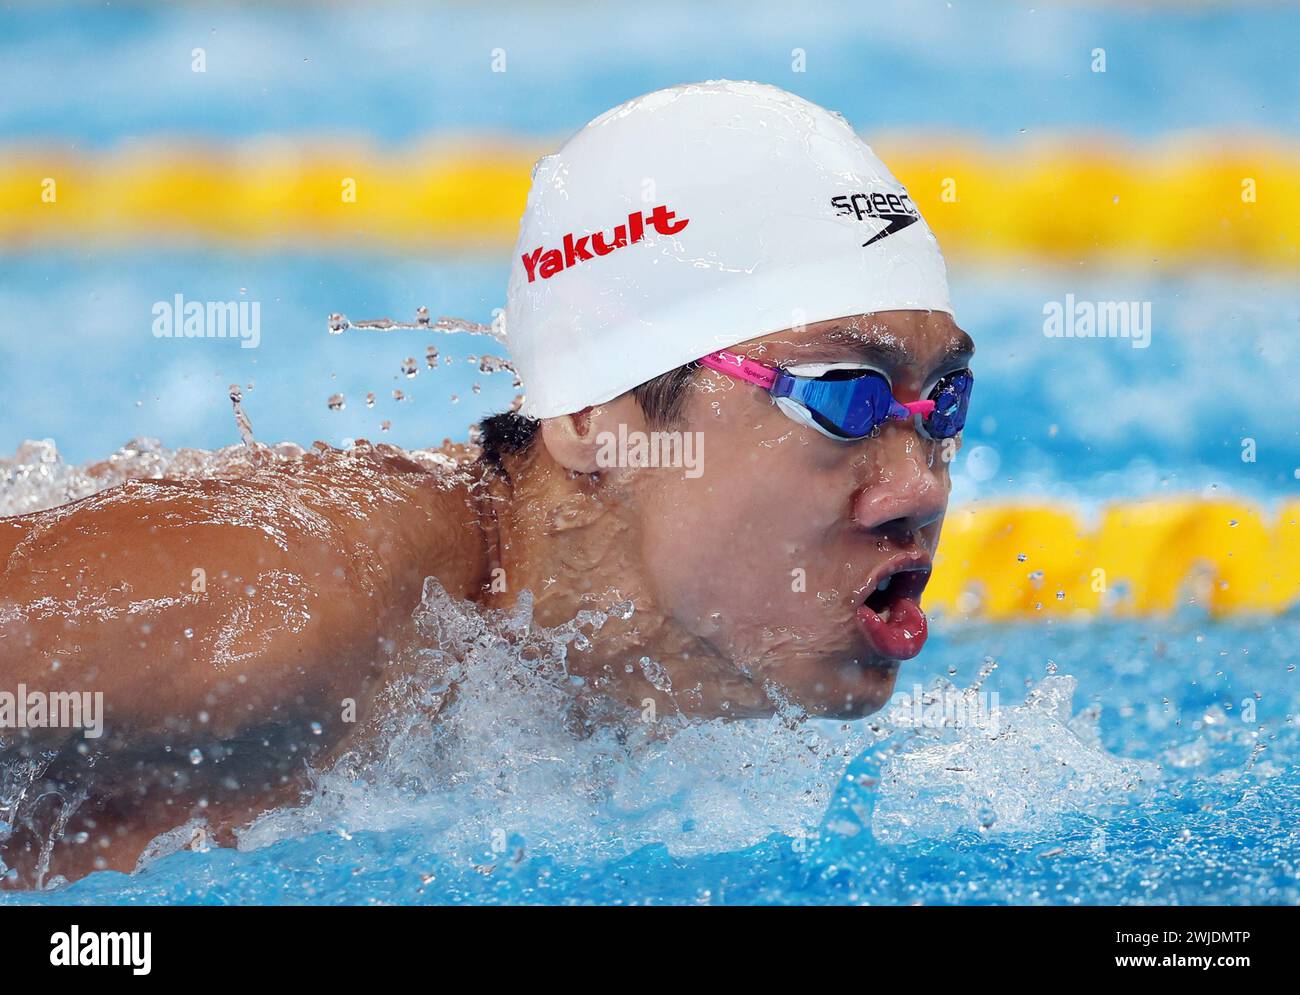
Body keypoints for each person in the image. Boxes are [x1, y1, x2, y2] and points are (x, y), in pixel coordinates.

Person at [0, 80, 973, 886]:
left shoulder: (650, 676)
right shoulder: (280, 608)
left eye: (942, 400)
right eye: (841, 396)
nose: (917, 487)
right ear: (596, 414)